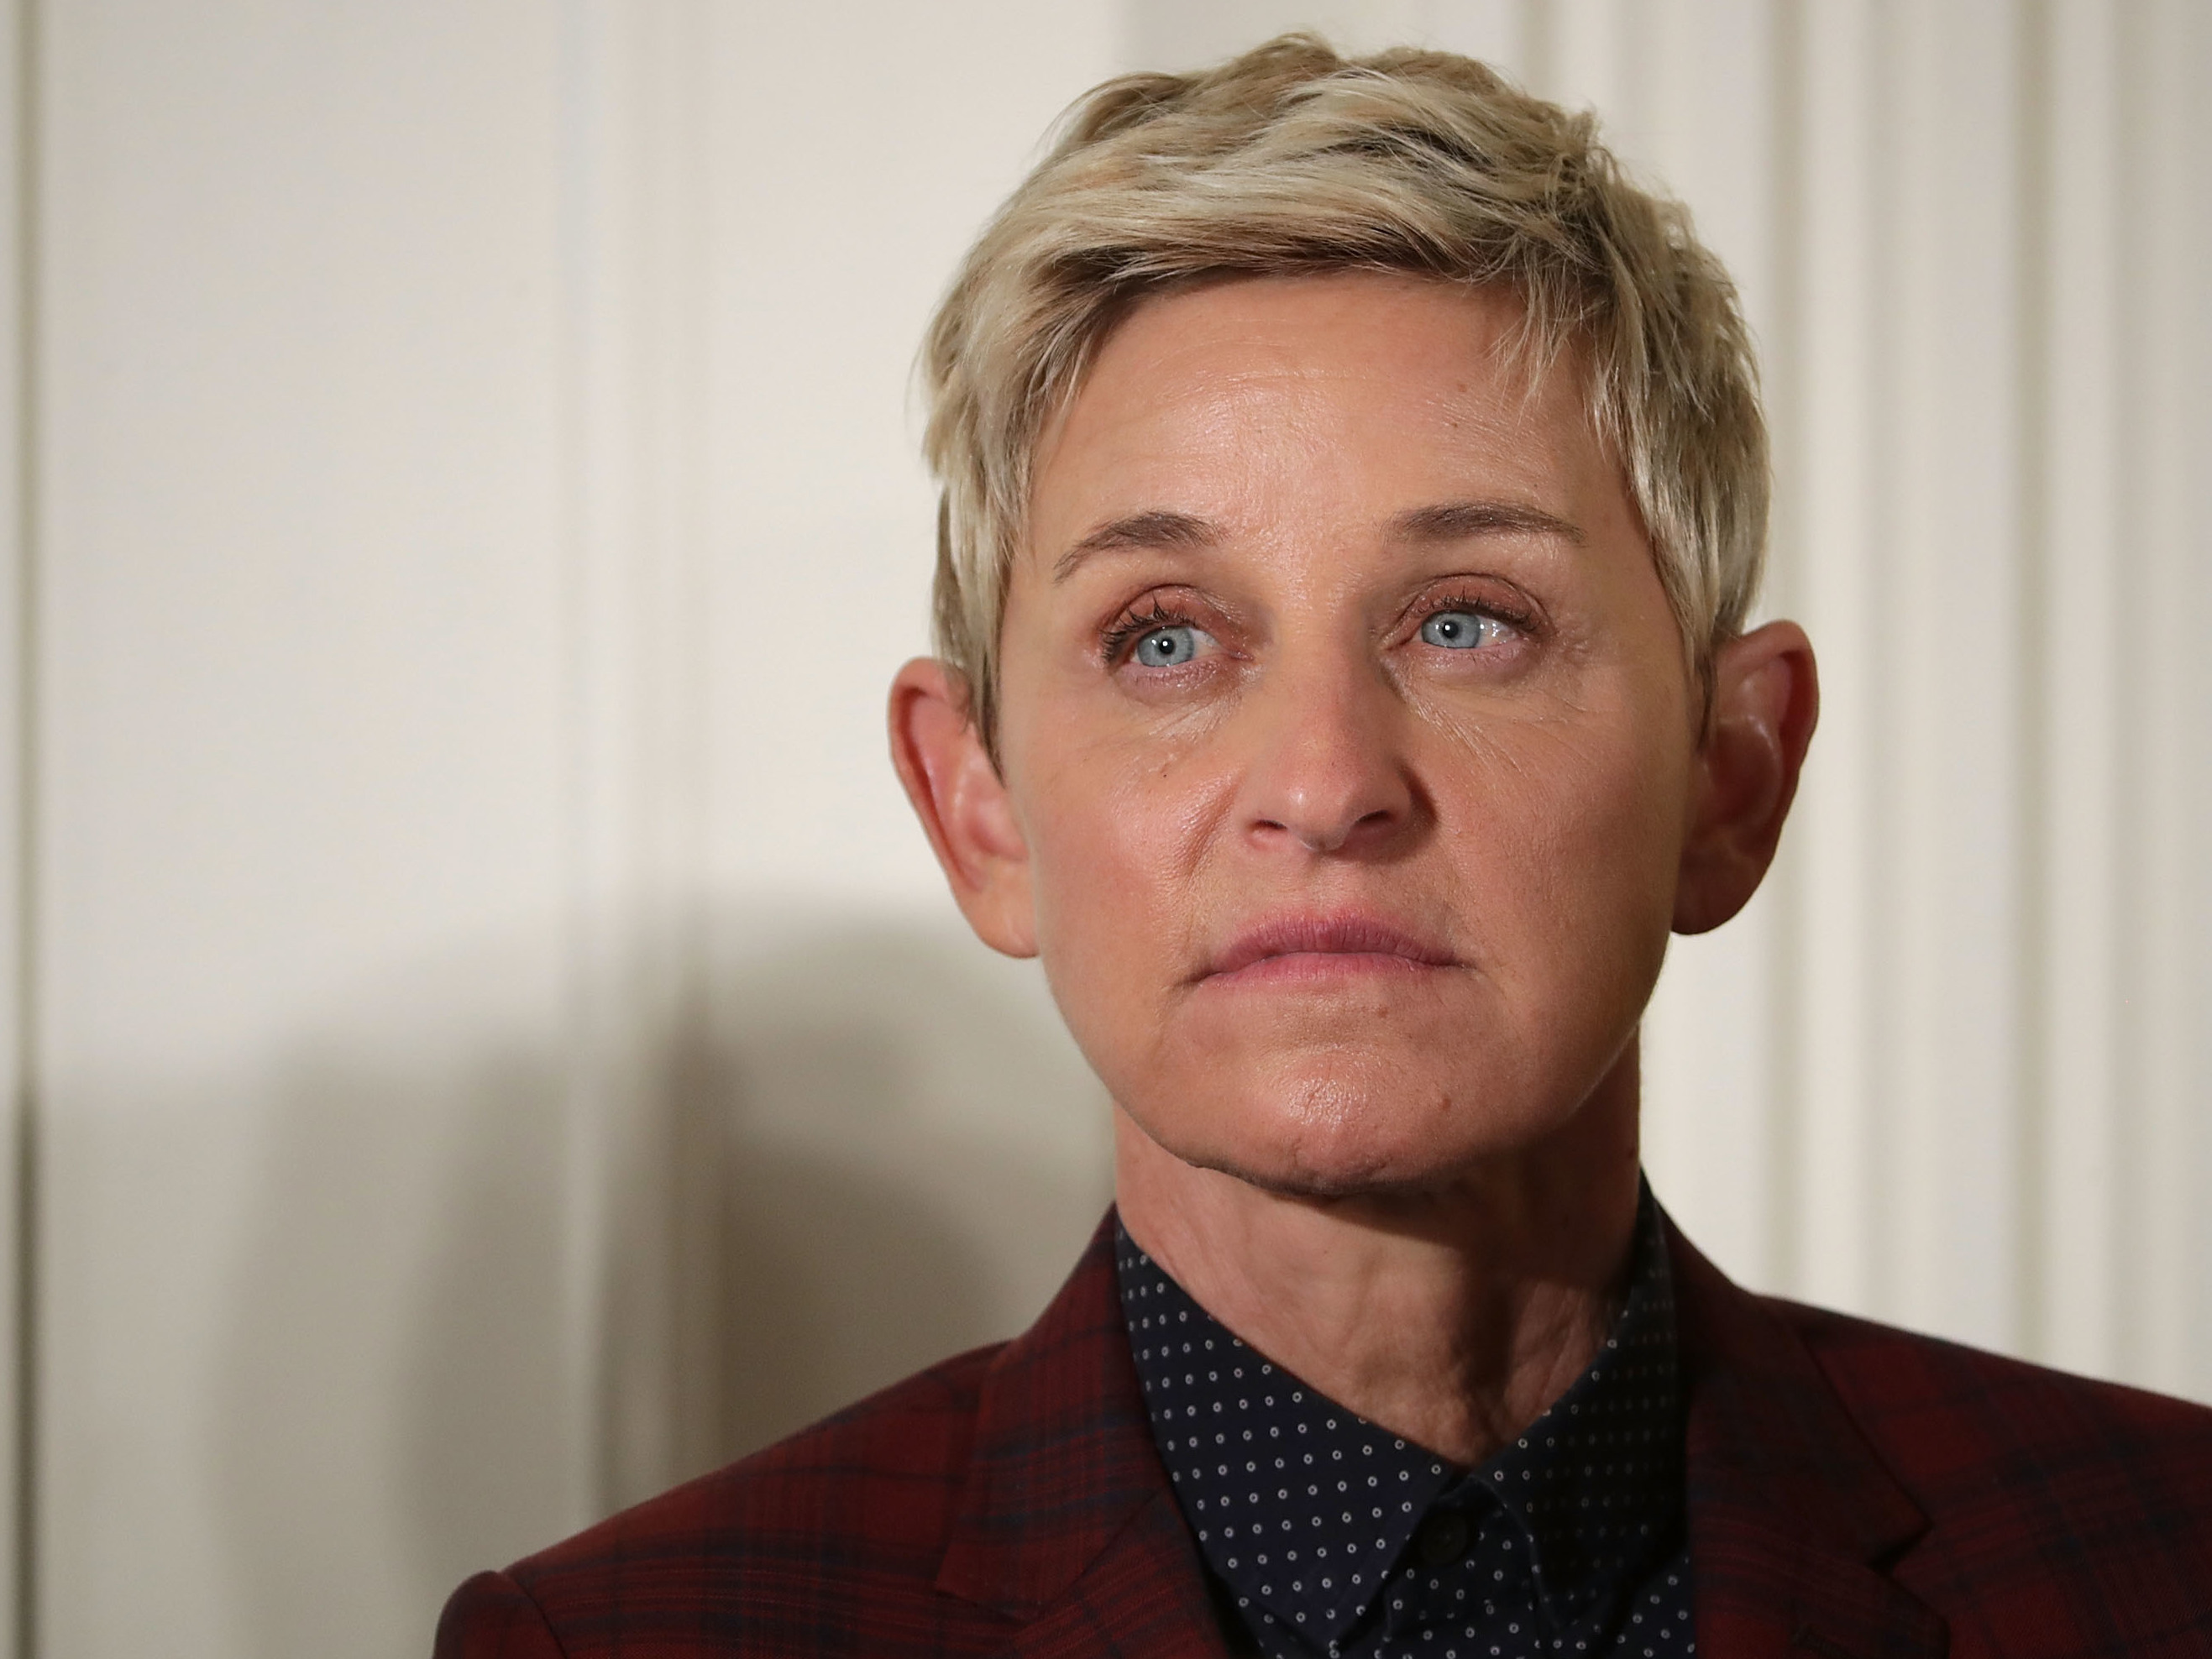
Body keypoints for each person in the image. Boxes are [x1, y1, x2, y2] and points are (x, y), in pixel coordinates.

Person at [436, 35, 2212, 1658]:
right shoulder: (625, 1640)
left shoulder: (2163, 1562)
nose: (1325, 778)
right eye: (1163, 638)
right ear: (976, 806)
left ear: (1730, 777)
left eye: (1466, 623)